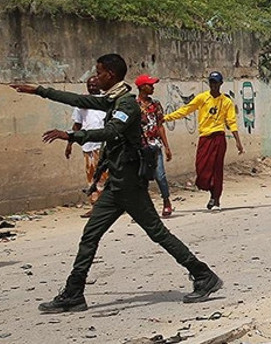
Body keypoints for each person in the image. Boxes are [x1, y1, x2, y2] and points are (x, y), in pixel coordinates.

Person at [10, 54, 222, 313]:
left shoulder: (126, 105)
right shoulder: (113, 100)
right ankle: (74, 293)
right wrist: (41, 91)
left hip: (130, 185)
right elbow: (79, 100)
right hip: (116, 185)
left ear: (110, 74)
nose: (95, 76)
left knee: (158, 233)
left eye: (98, 72)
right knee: (90, 234)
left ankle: (203, 275)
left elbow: (111, 132)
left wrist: (72, 135)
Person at [164, 71, 244, 211]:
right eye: (211, 82)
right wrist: (166, 118)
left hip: (218, 137)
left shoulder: (226, 102)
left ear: (220, 84)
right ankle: (208, 187)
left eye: (216, 83)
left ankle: (215, 198)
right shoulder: (202, 98)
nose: (213, 85)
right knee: (201, 168)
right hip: (205, 137)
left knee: (217, 169)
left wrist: (238, 141)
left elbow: (231, 122)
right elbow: (186, 110)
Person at [65, 76, 109, 218]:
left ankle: (110, 205)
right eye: (89, 85)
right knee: (92, 178)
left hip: (104, 145)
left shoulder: (106, 100)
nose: (91, 87)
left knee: (107, 176)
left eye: (94, 85)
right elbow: (77, 125)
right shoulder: (82, 104)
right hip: (88, 146)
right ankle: (95, 206)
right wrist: (69, 143)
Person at [135, 74, 174, 217]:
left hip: (155, 146)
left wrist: (167, 146)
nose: (152, 88)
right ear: (141, 87)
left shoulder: (155, 105)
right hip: (140, 147)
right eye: (149, 85)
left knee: (160, 175)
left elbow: (160, 126)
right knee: (141, 178)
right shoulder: (133, 105)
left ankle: (166, 201)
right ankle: (144, 208)